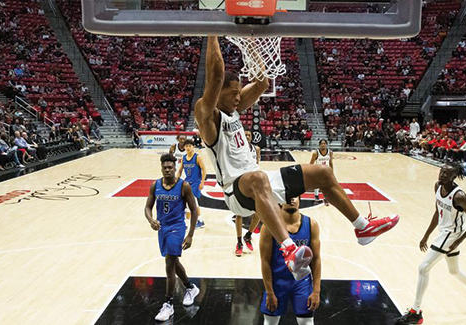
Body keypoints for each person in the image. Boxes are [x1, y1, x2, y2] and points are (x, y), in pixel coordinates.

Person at [194, 36, 399, 281]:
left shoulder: (234, 111)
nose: (238, 98)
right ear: (217, 94)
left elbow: (262, 83)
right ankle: (289, 249)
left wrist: (250, 46)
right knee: (259, 178)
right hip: (235, 192)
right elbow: (216, 77)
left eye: (239, 93)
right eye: (233, 94)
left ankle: (362, 227)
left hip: (257, 182)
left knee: (322, 174)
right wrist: (212, 31)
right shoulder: (207, 117)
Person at [395, 164, 466, 324]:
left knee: (423, 268)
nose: (442, 175)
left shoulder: (459, 196)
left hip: (452, 235)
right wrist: (426, 235)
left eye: (446, 174)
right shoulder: (437, 186)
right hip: (444, 233)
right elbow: (437, 211)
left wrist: (459, 240)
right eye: (441, 171)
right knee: (454, 271)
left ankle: (415, 312)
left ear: (453, 177)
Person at [145, 154, 200, 322]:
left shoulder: (184, 186)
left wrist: (190, 234)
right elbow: (147, 207)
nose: (168, 170)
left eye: (170, 167)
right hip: (162, 228)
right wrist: (150, 220)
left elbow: (195, 210)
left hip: (177, 228)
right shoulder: (155, 185)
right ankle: (190, 287)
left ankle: (168, 304)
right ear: (161, 168)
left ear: (175, 168)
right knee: (174, 262)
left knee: (169, 264)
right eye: (165, 167)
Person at [260, 197, 321, 325]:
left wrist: (316, 291)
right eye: (288, 197)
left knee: (307, 323)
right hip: (277, 282)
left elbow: (316, 260)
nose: (292, 199)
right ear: (280, 201)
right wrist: (270, 292)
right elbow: (265, 261)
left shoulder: (311, 225)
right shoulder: (269, 226)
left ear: (300, 200)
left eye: (295, 196)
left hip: (302, 282)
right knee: (270, 323)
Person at [234, 130, 262, 257]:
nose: (247, 136)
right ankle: (239, 242)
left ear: (252, 137)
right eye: (245, 135)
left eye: (249, 135)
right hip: (240, 182)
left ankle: (248, 235)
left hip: (253, 183)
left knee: (259, 212)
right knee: (238, 213)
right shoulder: (236, 149)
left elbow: (257, 164)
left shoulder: (256, 149)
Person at [176, 139, 206, 229]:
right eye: (186, 146)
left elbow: (204, 170)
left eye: (190, 146)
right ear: (184, 147)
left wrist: (202, 182)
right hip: (187, 182)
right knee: (188, 203)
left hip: (196, 183)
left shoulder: (197, 157)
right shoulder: (184, 158)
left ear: (193, 147)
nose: (188, 148)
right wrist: (176, 181)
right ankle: (198, 220)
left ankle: (196, 221)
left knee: (192, 203)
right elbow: (180, 170)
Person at [309, 139, 334, 206]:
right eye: (322, 144)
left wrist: (332, 172)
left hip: (326, 171)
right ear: (319, 145)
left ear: (326, 144)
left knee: (327, 185)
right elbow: (311, 163)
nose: (323, 145)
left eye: (324, 143)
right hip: (318, 170)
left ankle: (326, 198)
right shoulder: (316, 153)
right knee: (317, 184)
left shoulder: (330, 152)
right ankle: (316, 197)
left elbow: (331, 162)